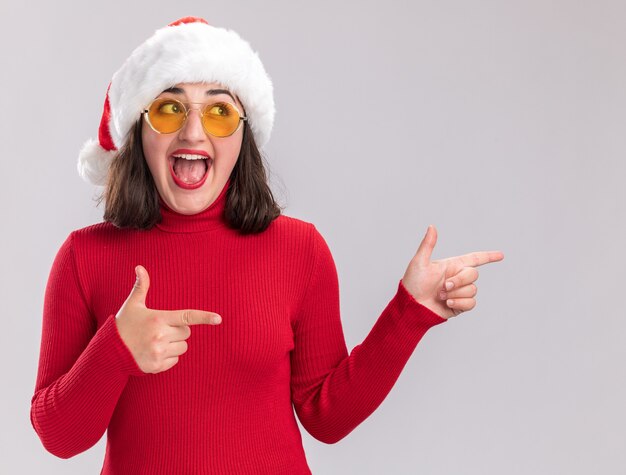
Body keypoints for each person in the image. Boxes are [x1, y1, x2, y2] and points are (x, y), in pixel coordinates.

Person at [30, 16, 504, 474]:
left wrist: (410, 311)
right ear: (141, 131)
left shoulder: (299, 250)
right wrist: (115, 351)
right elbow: (59, 437)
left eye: (219, 111)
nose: (193, 131)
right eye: (169, 108)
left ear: (243, 135)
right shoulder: (84, 258)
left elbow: (327, 416)